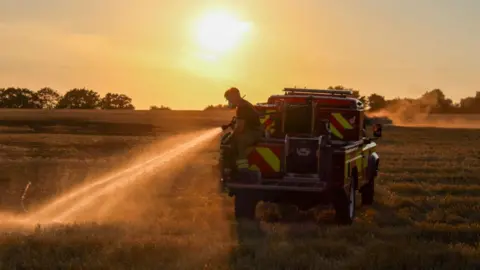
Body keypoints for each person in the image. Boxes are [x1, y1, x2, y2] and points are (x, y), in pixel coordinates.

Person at [224, 87, 263, 181]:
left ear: (234, 96)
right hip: (252, 131)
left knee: (240, 141)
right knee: (235, 140)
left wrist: (231, 137)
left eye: (229, 99)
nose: (229, 101)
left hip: (255, 132)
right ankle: (231, 168)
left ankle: (243, 171)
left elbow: (240, 128)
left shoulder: (242, 107)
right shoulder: (243, 105)